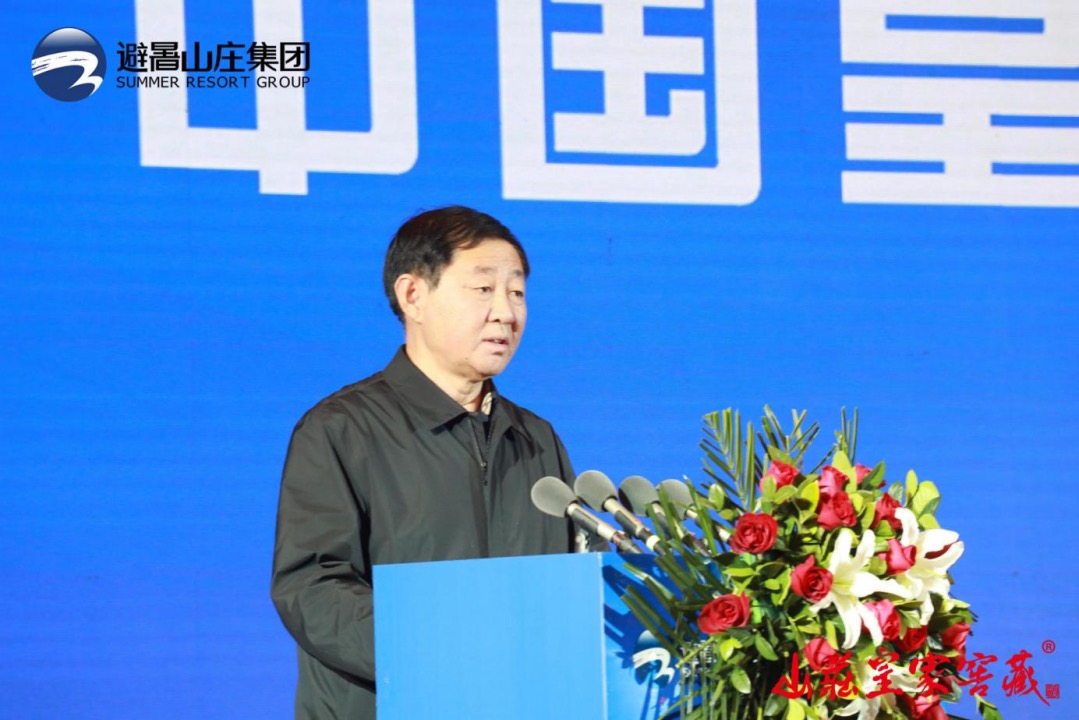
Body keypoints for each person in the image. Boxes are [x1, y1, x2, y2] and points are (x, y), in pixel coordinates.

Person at [270, 205, 598, 719]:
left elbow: (566, 587)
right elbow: (312, 588)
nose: (506, 313)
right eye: (483, 289)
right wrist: (441, 653)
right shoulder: (342, 429)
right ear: (413, 295)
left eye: (516, 292)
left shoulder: (536, 439)